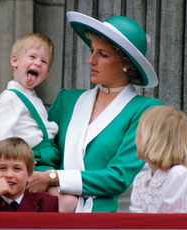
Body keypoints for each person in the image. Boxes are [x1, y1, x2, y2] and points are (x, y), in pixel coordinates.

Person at [27, 11, 162, 213]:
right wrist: (46, 181)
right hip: (48, 211)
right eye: (92, 50)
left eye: (103, 54)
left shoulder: (145, 110)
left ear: (127, 63)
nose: (91, 60)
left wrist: (54, 178)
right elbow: (42, 151)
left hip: (99, 220)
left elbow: (118, 177)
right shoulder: (67, 99)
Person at [0, 33, 78, 212]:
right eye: (32, 57)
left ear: (47, 73)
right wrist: (11, 170)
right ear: (15, 61)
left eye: (44, 62)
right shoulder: (10, 98)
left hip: (46, 164)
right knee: (67, 203)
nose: (38, 63)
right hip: (32, 164)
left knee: (67, 202)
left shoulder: (32, 98)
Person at [129, 106, 187, 213]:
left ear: (151, 139)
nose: (135, 139)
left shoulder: (178, 175)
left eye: (139, 133)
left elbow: (177, 224)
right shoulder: (141, 181)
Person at [0, 137, 58, 212]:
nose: (9, 175)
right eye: (2, 168)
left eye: (17, 168)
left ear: (30, 175)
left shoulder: (47, 204)